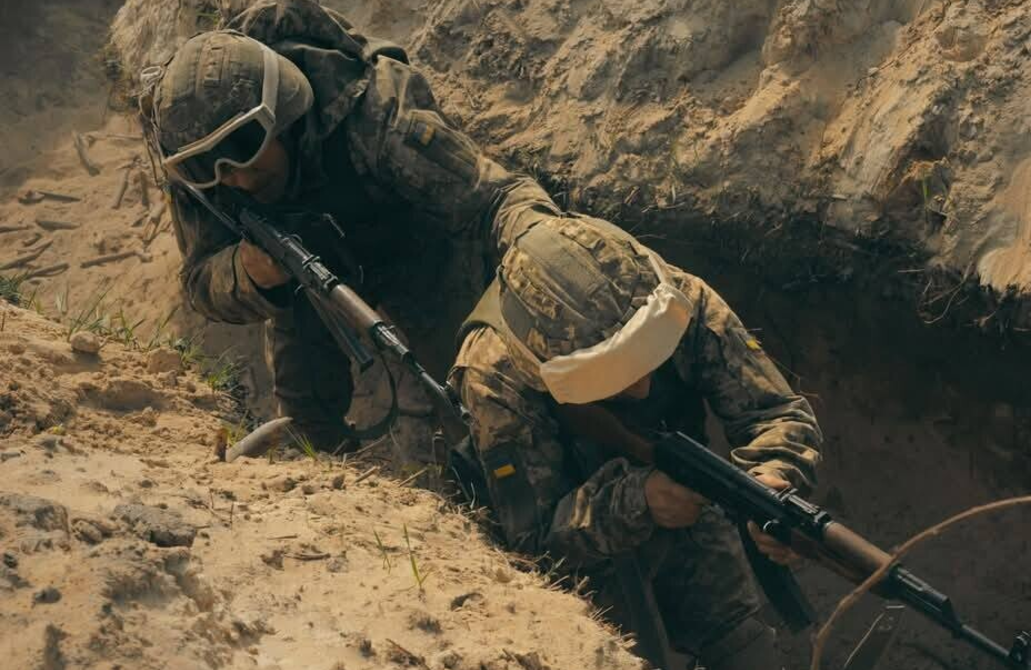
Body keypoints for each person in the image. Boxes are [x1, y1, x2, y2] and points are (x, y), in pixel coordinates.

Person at [141, 0, 559, 449]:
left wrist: (545, 241)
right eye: (206, 166)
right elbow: (200, 281)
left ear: (282, 113)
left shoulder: (375, 113)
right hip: (306, 284)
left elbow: (491, 196)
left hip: (416, 251)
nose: (237, 178)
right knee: (305, 424)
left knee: (475, 398)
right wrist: (246, 272)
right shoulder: (201, 168)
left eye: (246, 147)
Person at [448, 212, 824, 669]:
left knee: (744, 645)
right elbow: (531, 540)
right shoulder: (494, 376)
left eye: (650, 352)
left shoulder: (675, 299)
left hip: (684, 499)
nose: (643, 388)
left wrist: (771, 476)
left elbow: (775, 411)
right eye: (612, 373)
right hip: (578, 546)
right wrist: (636, 499)